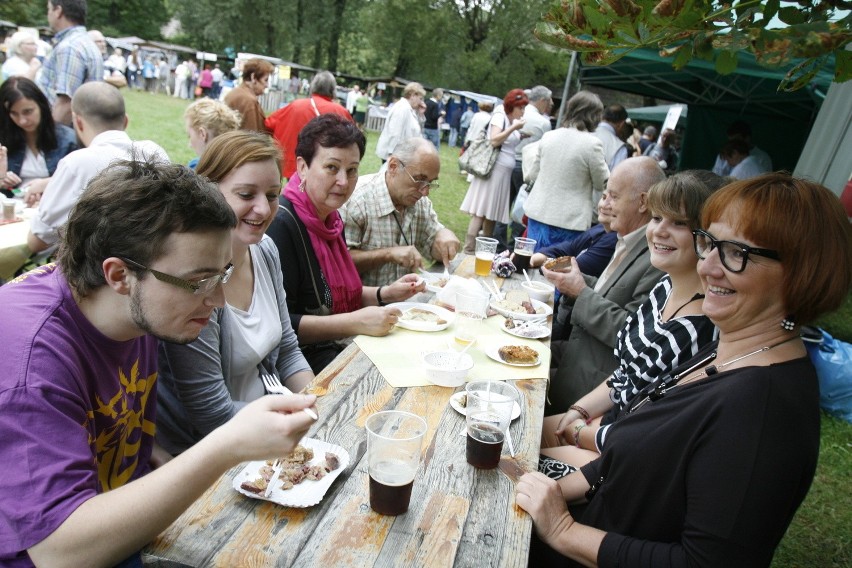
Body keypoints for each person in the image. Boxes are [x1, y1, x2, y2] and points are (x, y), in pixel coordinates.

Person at [517, 173, 851, 566]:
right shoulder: (725, 350)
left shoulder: (764, 409)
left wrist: (562, 530)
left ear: (802, 273)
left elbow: (704, 562)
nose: (708, 266)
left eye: (735, 253)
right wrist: (549, 488)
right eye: (709, 242)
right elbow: (621, 461)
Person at [0, 157, 318, 568]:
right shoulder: (30, 362)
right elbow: (59, 552)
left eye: (222, 275)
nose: (217, 300)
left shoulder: (138, 309)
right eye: (199, 281)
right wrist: (226, 445)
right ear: (119, 275)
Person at [539, 171, 723, 473]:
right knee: (513, 429)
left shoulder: (698, 328)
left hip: (618, 456)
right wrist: (580, 410)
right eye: (657, 218)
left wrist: (580, 430)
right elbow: (627, 373)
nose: (660, 231)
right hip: (598, 419)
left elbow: (646, 432)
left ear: (707, 237)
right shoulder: (665, 287)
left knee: (516, 460)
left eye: (678, 223)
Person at [156, 131, 314, 455]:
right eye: (245, 194)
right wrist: (295, 419)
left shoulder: (266, 249)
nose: (263, 209)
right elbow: (211, 413)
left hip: (273, 422)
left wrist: (315, 401)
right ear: (208, 190)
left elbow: (287, 348)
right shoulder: (195, 281)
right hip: (214, 449)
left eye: (272, 195)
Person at [266, 114, 424, 373]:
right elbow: (281, 326)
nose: (343, 181)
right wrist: (355, 322)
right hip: (301, 364)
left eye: (352, 170)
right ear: (302, 167)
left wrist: (385, 293)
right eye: (332, 167)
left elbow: (332, 294)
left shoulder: (331, 218)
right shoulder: (282, 225)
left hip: (336, 347)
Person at [543, 157, 666, 413]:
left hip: (590, 394)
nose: (605, 204)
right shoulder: (626, 240)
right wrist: (577, 280)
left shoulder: (657, 258)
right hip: (572, 365)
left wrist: (580, 290)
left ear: (643, 202)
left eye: (613, 196)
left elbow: (633, 332)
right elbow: (611, 294)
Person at [27, 81, 169, 255]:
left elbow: (37, 241)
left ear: (78, 122)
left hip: (97, 272)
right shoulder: (154, 152)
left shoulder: (75, 164)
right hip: (150, 260)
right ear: (125, 121)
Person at [341, 137, 460, 285]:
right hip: (363, 305)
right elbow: (339, 262)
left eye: (430, 182)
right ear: (393, 167)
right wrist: (388, 254)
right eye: (419, 179)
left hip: (406, 302)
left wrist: (443, 237)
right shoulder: (357, 201)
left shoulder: (420, 203)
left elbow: (433, 248)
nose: (425, 191)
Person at [524, 90, 609, 250]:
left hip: (538, 212)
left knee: (530, 262)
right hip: (570, 221)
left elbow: (533, 174)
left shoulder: (549, 136)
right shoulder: (593, 144)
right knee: (556, 268)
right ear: (595, 115)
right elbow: (601, 183)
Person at [459, 89, 528, 254]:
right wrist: (514, 129)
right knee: (481, 210)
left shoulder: (511, 120)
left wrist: (520, 133)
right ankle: (468, 250)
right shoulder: (499, 116)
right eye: (521, 108)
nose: (523, 111)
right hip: (493, 171)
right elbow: (494, 140)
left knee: (491, 213)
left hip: (503, 174)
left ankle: (484, 250)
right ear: (512, 106)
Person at [494, 85, 553, 253]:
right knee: (523, 207)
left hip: (509, 163)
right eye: (548, 102)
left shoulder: (515, 113)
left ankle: (499, 244)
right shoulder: (544, 122)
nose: (549, 106)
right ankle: (514, 245)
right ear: (542, 100)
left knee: (503, 206)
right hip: (527, 169)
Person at [0, 77, 77, 203]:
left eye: (28, 112)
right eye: (14, 113)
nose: (22, 120)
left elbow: (82, 180)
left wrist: (48, 183)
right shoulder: (4, 140)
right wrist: (2, 180)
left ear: (41, 106)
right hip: (13, 211)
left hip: (54, 210)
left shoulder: (68, 140)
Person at [265, 70, 354, 179]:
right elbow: (352, 139)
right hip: (327, 167)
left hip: (295, 164)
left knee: (296, 193)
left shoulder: (295, 105)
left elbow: (268, 124)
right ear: (332, 88)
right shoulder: (340, 111)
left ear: (313, 86)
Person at [39, 0, 104, 125]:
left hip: (63, 133)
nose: (48, 14)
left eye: (49, 9)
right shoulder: (84, 43)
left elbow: (66, 104)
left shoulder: (70, 47)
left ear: (58, 11)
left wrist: (48, 139)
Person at [529, 192, 617, 279]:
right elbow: (568, 248)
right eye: (604, 197)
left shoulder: (614, 239)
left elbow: (572, 267)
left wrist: (544, 263)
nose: (604, 205)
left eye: (614, 199)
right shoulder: (600, 228)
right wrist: (534, 258)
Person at [183, 98, 241, 169]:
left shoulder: (196, 168)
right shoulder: (239, 165)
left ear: (202, 134)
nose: (190, 145)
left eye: (190, 136)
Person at [375, 82, 425, 163]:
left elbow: (416, 130)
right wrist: (392, 155)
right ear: (413, 95)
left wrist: (420, 113)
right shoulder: (402, 108)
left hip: (402, 155)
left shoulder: (409, 109)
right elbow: (394, 132)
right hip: (395, 156)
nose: (421, 102)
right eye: (420, 98)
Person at [223, 58, 274, 133]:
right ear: (253, 77)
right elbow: (251, 137)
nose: (267, 85)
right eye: (265, 80)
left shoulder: (236, 93)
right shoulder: (248, 100)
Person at [593, 104, 629, 170]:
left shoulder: (584, 133)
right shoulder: (619, 147)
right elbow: (617, 177)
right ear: (621, 124)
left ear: (602, 117)